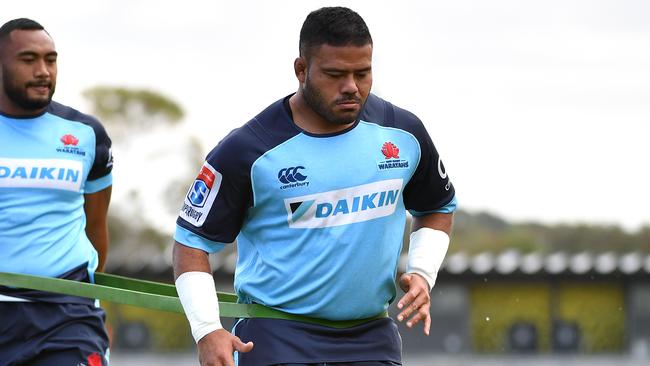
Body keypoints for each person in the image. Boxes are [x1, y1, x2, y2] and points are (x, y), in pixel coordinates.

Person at [173, 6, 457, 366]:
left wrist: (422, 272)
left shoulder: (403, 134)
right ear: (301, 70)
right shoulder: (249, 149)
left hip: (370, 338)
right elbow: (191, 241)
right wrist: (207, 329)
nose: (351, 87)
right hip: (276, 335)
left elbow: (436, 207)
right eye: (335, 74)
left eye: (362, 73)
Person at [0, 18, 113, 366]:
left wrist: (82, 291)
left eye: (50, 59)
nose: (43, 71)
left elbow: (96, 227)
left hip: (68, 316)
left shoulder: (87, 134)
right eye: (28, 59)